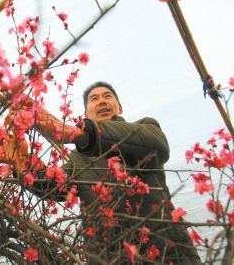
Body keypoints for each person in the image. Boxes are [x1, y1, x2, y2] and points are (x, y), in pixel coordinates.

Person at [28, 81, 201, 264]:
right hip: (108, 258)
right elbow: (50, 187)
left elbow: (156, 145)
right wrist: (18, 158)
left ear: (119, 107)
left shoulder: (146, 128)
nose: (102, 101)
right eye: (94, 99)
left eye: (107, 96)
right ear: (86, 114)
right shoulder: (78, 159)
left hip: (167, 251)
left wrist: (78, 134)